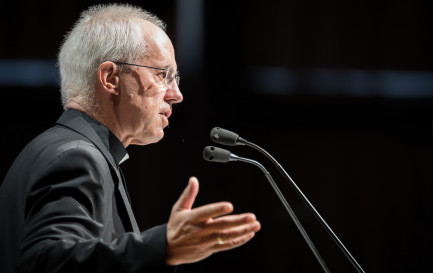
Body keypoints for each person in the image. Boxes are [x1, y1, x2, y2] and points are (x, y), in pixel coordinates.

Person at [0, 4, 261, 273]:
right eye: (163, 75)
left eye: (177, 77)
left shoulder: (61, 148)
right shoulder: (77, 157)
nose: (176, 94)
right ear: (110, 78)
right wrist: (162, 246)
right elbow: (48, 262)